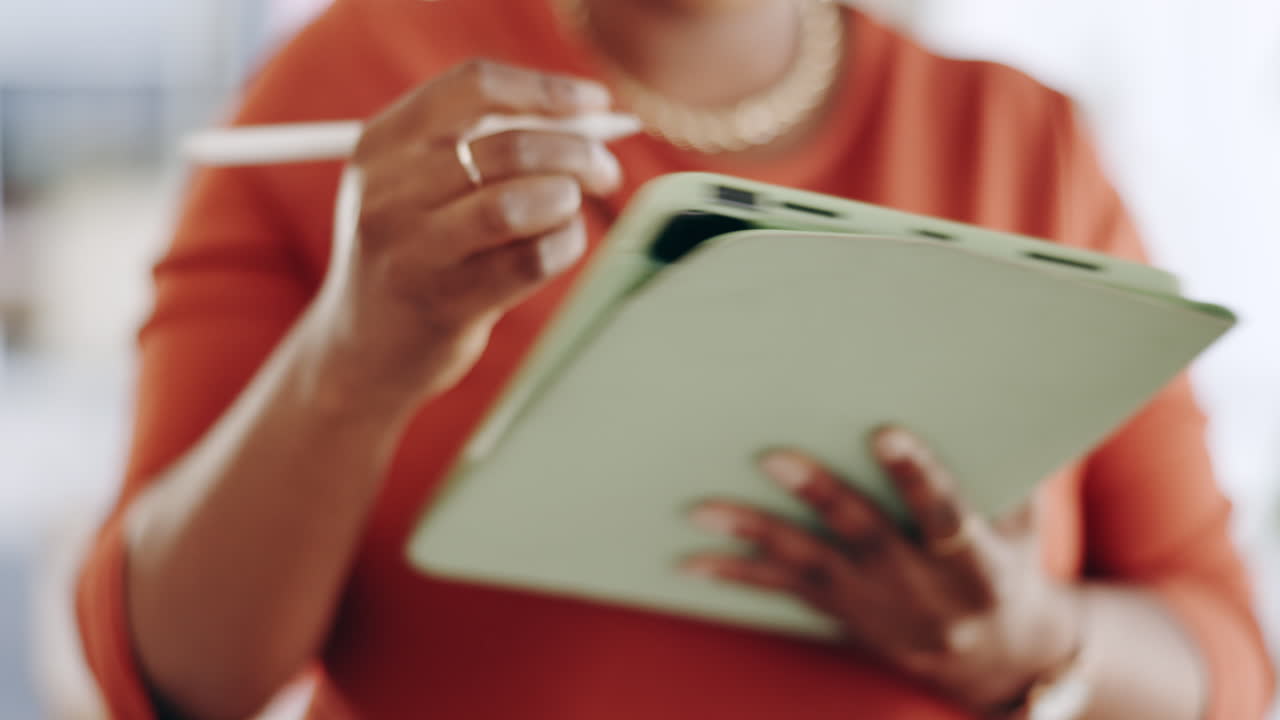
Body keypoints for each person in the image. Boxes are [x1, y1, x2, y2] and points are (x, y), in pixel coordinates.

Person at [75, 1, 1274, 718]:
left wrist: (1035, 640)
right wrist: (360, 354)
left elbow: (1225, 663)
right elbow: (167, 680)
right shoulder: (354, 91)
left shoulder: (1023, 144)